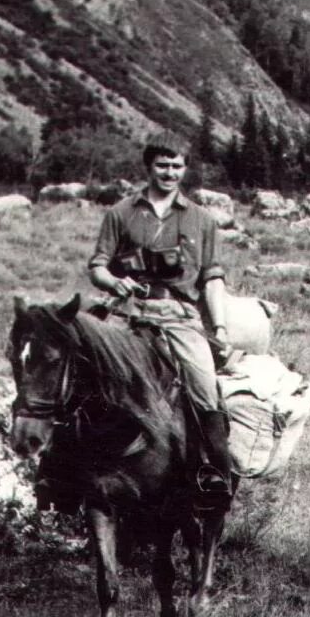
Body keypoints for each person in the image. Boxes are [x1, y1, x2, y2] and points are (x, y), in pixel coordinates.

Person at [87, 132, 235, 509]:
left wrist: (217, 328)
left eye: (177, 165)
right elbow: (98, 267)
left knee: (205, 390)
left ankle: (214, 475)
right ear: (149, 166)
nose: (170, 172)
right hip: (128, 313)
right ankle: (62, 472)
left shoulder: (201, 220)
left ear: (185, 168)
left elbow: (212, 278)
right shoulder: (120, 213)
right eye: (162, 165)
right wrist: (114, 281)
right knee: (85, 379)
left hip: (179, 317)